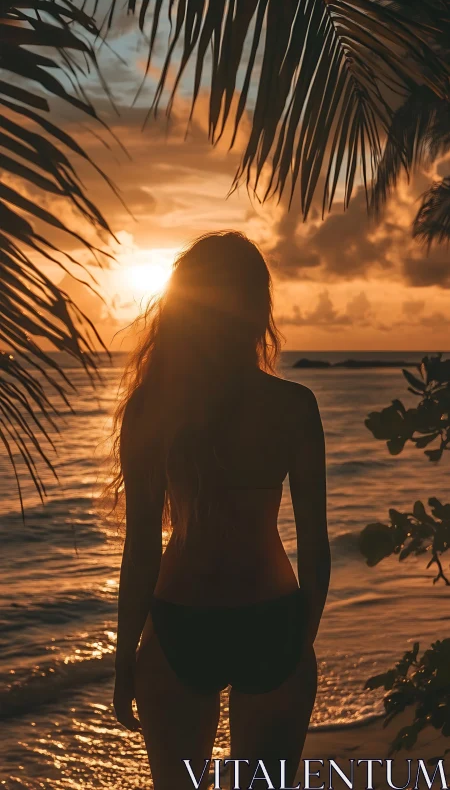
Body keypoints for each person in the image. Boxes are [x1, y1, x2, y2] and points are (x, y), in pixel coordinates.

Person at [107, 230, 330, 789]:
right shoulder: (293, 407)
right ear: (258, 309)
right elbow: (316, 546)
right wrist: (301, 642)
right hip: (272, 617)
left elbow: (141, 550)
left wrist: (125, 658)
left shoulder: (152, 409)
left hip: (182, 619)